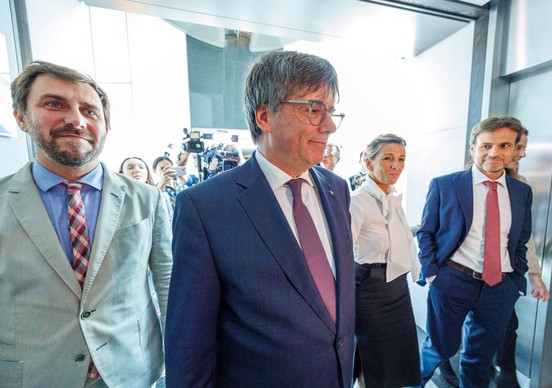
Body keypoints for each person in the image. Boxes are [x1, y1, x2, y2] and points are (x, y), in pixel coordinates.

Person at [165, 50, 354, 387]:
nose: (330, 125)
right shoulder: (205, 206)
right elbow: (190, 342)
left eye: (331, 110)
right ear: (265, 116)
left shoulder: (336, 189)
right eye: (313, 109)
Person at [0, 60, 172, 387]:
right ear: (21, 117)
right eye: (54, 104)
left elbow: (168, 286)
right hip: (32, 376)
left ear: (106, 126)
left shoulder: (148, 199)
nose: (76, 120)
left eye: (90, 111)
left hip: (131, 372)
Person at [417, 116, 533, 387]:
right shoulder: (445, 184)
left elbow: (520, 240)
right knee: (438, 348)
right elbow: (426, 233)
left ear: (514, 149)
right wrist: (433, 274)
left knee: (479, 359)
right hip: (452, 281)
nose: (494, 153)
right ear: (473, 149)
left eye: (504, 146)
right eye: (486, 146)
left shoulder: (521, 192)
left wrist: (516, 281)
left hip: (499, 288)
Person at [350, 133, 421, 387]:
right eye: (388, 158)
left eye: (401, 159)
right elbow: (344, 250)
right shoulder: (357, 202)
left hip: (398, 289)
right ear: (369, 164)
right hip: (370, 291)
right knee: (375, 358)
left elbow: (398, 238)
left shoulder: (393, 197)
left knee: (398, 357)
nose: (396, 166)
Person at [493, 128, 550, 387]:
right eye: (518, 147)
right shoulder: (465, 181)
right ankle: (446, 363)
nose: (522, 153)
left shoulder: (520, 185)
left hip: (505, 272)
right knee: (456, 332)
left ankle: (506, 373)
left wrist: (535, 275)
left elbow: (524, 236)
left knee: (508, 325)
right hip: (467, 273)